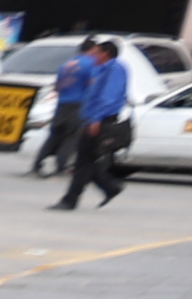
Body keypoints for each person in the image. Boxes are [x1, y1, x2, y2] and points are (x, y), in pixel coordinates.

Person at [52, 37, 134, 211]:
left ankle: (70, 200)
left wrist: (96, 119)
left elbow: (108, 97)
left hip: (101, 119)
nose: (93, 56)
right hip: (91, 119)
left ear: (106, 53)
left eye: (97, 53)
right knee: (86, 159)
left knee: (84, 160)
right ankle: (110, 187)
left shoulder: (114, 68)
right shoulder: (101, 69)